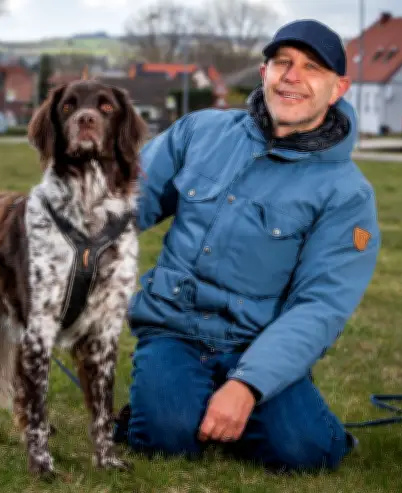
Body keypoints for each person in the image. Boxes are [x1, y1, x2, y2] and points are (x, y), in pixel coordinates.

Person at [111, 18, 382, 474]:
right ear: (265, 74)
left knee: (306, 454)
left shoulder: (347, 195)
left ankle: (272, 418)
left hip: (257, 342)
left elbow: (320, 307)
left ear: (338, 88)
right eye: (283, 63)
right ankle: (171, 408)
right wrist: (64, 245)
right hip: (174, 326)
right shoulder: (200, 131)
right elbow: (121, 204)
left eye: (311, 68)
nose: (292, 77)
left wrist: (248, 386)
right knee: (165, 438)